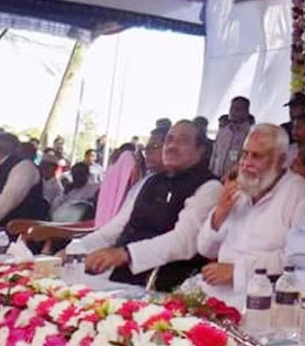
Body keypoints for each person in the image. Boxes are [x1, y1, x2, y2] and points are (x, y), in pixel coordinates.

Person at [80, 121, 220, 291]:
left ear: (200, 149)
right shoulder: (151, 181)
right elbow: (117, 228)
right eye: (169, 140)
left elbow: (184, 242)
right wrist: (75, 249)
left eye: (182, 141)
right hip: (120, 278)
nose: (172, 146)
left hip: (165, 286)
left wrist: (126, 254)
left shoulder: (209, 187)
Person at [196, 124, 305, 296]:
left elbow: (299, 258)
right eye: (245, 153)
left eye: (256, 156)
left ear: (281, 160)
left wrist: (237, 271)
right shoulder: (239, 188)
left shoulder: (299, 193)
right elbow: (205, 249)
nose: (246, 163)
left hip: (265, 299)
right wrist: (220, 212)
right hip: (216, 293)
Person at [209, 97, 253, 178]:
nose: (233, 112)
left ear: (246, 112)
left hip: (236, 180)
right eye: (231, 109)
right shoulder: (223, 131)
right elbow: (215, 154)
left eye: (237, 109)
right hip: (215, 177)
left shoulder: (250, 134)